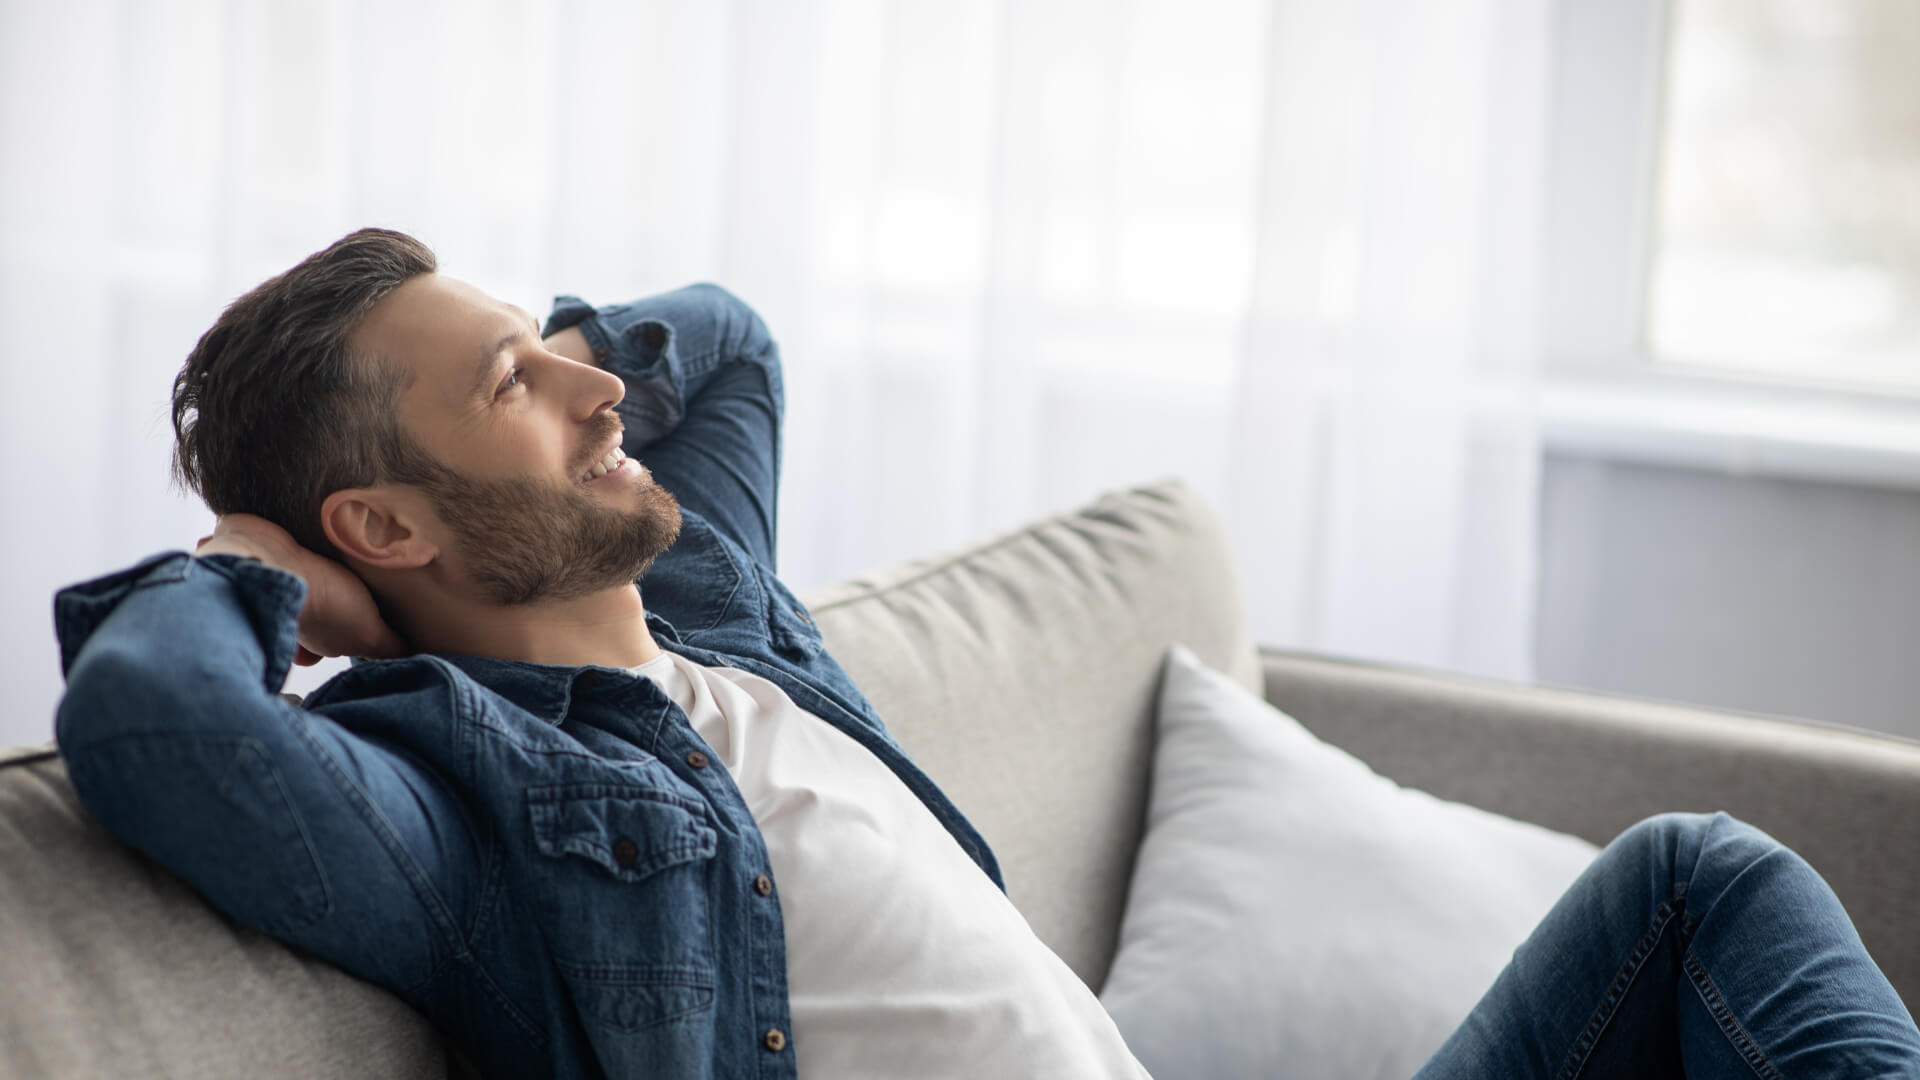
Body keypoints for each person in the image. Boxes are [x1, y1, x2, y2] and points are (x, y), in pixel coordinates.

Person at [52, 229, 1919, 1080]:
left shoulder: (716, 621)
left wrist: (552, 369)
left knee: (1701, 880)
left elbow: (729, 339)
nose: (597, 387)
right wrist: (255, 569)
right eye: (510, 386)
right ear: (385, 528)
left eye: (559, 352)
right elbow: (151, 722)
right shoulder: (460, 805)